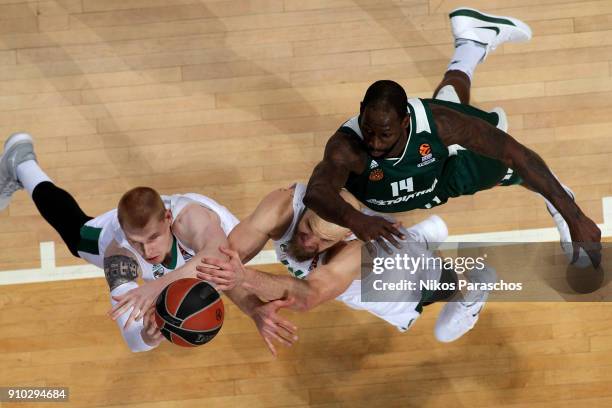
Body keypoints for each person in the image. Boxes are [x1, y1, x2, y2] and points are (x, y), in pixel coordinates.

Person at [302, 7, 602, 267]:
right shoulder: (347, 147)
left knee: (506, 170)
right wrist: (357, 220)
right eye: (369, 130)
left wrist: (575, 216)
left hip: (445, 174)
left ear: (406, 121)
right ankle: (472, 42)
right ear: (361, 112)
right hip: (396, 194)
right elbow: (316, 191)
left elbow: (516, 153)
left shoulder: (440, 124)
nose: (375, 143)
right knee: (453, 104)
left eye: (385, 135)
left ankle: (560, 201)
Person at [0, 132, 297, 353]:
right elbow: (132, 338)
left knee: (231, 259)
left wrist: (156, 286)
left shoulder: (190, 218)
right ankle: (22, 163)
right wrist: (147, 337)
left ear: (168, 218)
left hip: (209, 241)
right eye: (138, 242)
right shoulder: (120, 254)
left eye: (153, 238)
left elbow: (219, 265)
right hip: (115, 235)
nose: (148, 251)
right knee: (75, 234)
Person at [197, 183, 497, 354]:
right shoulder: (283, 204)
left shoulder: (357, 250)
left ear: (347, 236)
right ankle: (410, 239)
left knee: (432, 308)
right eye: (306, 229)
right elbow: (225, 259)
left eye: (322, 240)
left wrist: (244, 277)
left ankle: (473, 286)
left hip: (394, 276)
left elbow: (309, 295)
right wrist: (249, 303)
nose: (309, 241)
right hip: (375, 255)